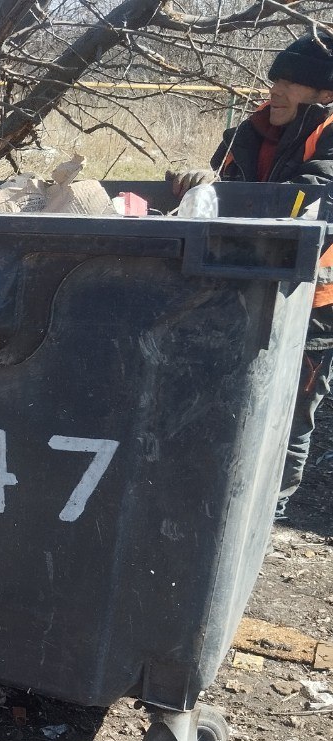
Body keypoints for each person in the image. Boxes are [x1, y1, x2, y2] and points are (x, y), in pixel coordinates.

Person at [170, 31, 333, 520]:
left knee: (291, 414)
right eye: (276, 80)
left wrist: (227, 201)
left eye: (293, 84)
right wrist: (200, 186)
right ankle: (216, 499)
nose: (277, 92)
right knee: (228, 396)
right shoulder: (248, 131)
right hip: (238, 289)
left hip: (313, 305)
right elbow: (223, 187)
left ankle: (266, 514)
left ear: (326, 95)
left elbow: (313, 203)